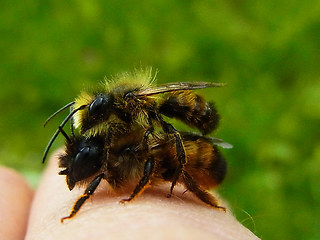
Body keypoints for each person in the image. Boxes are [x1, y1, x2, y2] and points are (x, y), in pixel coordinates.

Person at [1, 150, 260, 240]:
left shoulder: (124, 157)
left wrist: (137, 195)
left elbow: (160, 165)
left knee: (173, 166)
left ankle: (209, 202)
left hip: (203, 161)